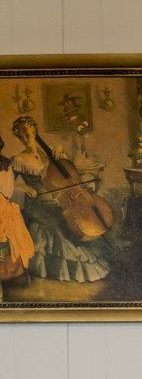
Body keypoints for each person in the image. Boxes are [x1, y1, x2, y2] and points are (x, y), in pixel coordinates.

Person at [10, 115, 111, 283]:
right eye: (20, 135)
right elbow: (6, 183)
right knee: (56, 218)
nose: (25, 138)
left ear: (34, 131)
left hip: (61, 197)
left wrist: (62, 157)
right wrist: (24, 187)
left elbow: (68, 174)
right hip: (39, 201)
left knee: (69, 216)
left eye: (27, 133)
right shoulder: (18, 160)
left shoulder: (50, 151)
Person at [0, 133, 35, 283]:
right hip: (8, 206)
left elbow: (5, 190)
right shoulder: (7, 163)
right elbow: (9, 190)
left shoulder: (5, 165)